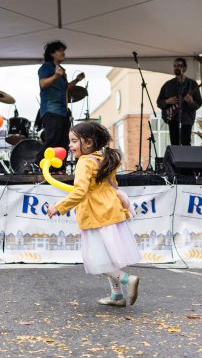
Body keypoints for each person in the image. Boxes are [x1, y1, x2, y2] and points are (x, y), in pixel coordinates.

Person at [47, 121, 141, 307]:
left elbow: (80, 191)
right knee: (107, 256)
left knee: (98, 258)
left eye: (74, 141)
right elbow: (112, 185)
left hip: (96, 215)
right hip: (110, 212)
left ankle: (126, 280)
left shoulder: (84, 162)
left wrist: (59, 206)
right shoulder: (102, 158)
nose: (70, 145)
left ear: (88, 143)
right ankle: (117, 296)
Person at [35, 40, 85, 173]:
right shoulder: (46, 67)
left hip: (63, 111)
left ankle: (58, 168)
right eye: (60, 50)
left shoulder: (61, 70)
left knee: (63, 141)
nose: (63, 53)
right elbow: (43, 84)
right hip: (51, 109)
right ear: (52, 53)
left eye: (64, 50)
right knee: (52, 139)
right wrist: (55, 76)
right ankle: (37, 164)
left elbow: (65, 88)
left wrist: (77, 80)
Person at [156, 57, 202, 146]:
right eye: (175, 66)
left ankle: (186, 160)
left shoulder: (192, 84)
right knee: (174, 145)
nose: (176, 68)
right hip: (172, 119)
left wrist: (191, 102)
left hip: (187, 119)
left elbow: (199, 103)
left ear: (185, 68)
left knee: (186, 144)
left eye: (179, 66)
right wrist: (167, 101)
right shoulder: (167, 85)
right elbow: (159, 102)